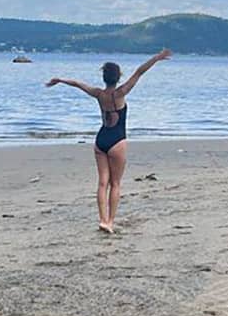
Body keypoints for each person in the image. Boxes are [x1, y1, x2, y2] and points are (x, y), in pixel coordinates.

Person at [46, 48, 173, 233]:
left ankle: (102, 219)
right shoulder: (121, 93)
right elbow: (139, 72)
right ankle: (110, 222)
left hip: (101, 140)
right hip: (117, 141)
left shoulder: (99, 94)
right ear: (118, 77)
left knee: (102, 183)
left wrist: (60, 80)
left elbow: (78, 84)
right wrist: (157, 58)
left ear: (104, 77)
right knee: (115, 184)